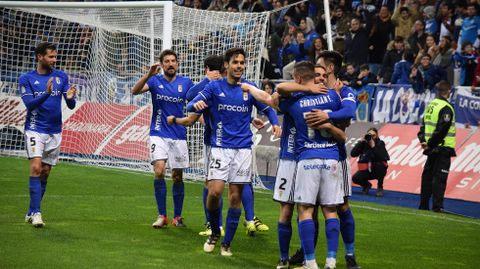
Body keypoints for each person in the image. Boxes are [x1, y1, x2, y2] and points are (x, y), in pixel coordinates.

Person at [187, 48, 280, 256]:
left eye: (242, 62)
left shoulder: (248, 88)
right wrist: (196, 104)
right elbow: (192, 103)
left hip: (243, 149)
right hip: (220, 148)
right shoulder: (214, 86)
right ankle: (213, 230)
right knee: (215, 191)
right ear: (226, 65)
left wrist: (274, 123)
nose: (239, 65)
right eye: (235, 62)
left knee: (235, 197)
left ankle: (226, 243)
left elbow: (267, 108)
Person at [279, 61, 344, 269]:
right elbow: (346, 116)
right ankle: (331, 262)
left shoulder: (295, 101)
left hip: (308, 158)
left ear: (298, 78)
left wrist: (305, 88)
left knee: (305, 210)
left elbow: (278, 92)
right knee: (330, 211)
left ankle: (310, 262)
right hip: (332, 157)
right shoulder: (333, 96)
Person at [131, 49, 193, 228]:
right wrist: (148, 74)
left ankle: (177, 216)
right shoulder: (154, 80)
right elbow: (135, 91)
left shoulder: (186, 83)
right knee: (159, 171)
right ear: (162, 64)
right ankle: (162, 215)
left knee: (177, 176)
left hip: (179, 135)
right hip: (158, 133)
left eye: (174, 61)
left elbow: (196, 102)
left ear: (177, 64)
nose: (171, 64)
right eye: (167, 61)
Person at [21, 42, 77, 228]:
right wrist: (46, 93)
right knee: (36, 168)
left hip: (55, 131)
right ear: (40, 57)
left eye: (55, 56)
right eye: (51, 56)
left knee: (45, 173)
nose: (55, 59)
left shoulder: (61, 76)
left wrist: (70, 98)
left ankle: (31, 210)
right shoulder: (27, 78)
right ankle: (37, 213)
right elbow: (29, 105)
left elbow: (70, 105)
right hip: (35, 128)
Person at [417, 80, 456, 212]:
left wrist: (424, 141)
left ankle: (423, 205)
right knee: (439, 178)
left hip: (431, 149)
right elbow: (442, 130)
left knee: (427, 177)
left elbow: (422, 127)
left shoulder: (431, 106)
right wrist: (431, 144)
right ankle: (437, 206)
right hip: (442, 148)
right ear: (448, 92)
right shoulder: (446, 108)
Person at [351, 127, 390, 197]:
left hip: (377, 170)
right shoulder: (364, 144)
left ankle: (380, 187)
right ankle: (367, 185)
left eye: (373, 135)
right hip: (366, 170)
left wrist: (373, 146)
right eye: (370, 135)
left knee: (380, 165)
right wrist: (361, 142)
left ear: (377, 135)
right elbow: (353, 154)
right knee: (355, 178)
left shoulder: (380, 143)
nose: (371, 137)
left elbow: (381, 157)